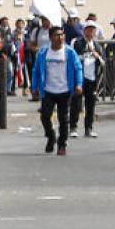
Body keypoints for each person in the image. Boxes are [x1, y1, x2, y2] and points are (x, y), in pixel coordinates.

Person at [30, 26, 83, 155]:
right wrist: (34, 87)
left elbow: (78, 69)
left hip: (65, 90)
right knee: (45, 116)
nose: (60, 38)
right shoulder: (43, 53)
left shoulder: (69, 52)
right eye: (56, 35)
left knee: (63, 118)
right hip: (48, 90)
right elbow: (36, 71)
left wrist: (79, 84)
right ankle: (51, 136)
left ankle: (62, 144)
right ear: (50, 37)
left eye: (62, 35)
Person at [70, 21, 101, 138]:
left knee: (90, 105)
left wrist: (96, 55)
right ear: (84, 31)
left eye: (93, 30)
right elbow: (73, 59)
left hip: (92, 79)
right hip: (80, 79)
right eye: (88, 29)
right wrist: (85, 52)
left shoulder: (97, 46)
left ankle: (89, 128)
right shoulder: (77, 42)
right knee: (76, 104)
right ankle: (73, 127)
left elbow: (102, 62)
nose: (91, 32)